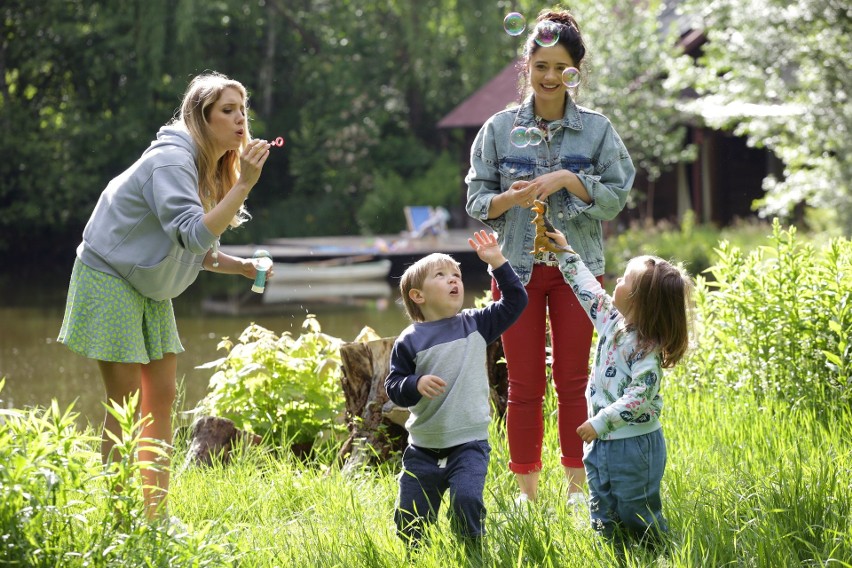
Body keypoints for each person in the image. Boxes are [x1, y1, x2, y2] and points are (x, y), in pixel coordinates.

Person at [57, 72, 272, 518]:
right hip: (110, 274)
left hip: (149, 283)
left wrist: (242, 267)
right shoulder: (174, 161)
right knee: (125, 403)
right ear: (201, 117)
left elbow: (196, 248)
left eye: (242, 110)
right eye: (227, 111)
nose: (239, 120)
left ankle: (155, 515)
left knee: (162, 395)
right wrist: (244, 185)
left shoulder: (209, 164)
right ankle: (119, 518)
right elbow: (194, 235)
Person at [465, 7, 635, 505]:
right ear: (527, 67)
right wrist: (509, 200)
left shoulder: (598, 131)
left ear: (575, 71)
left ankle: (578, 492)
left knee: (576, 380)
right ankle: (528, 496)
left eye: (561, 67)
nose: (550, 77)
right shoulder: (497, 129)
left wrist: (567, 179)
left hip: (576, 270)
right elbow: (476, 201)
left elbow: (615, 196)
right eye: (540, 66)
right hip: (513, 272)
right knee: (522, 386)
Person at [542, 226, 693, 548]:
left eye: (624, 280)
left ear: (639, 299)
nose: (615, 283)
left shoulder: (647, 351)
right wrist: (564, 252)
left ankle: (657, 551)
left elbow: (639, 397)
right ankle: (612, 551)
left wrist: (600, 421)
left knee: (636, 509)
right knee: (602, 505)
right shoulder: (613, 322)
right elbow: (587, 290)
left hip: (634, 446)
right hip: (601, 442)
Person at [385, 230, 528, 550]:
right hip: (423, 447)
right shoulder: (410, 340)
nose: (454, 280)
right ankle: (415, 555)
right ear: (417, 296)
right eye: (441, 275)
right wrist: (415, 384)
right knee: (411, 516)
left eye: (457, 275)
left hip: (470, 444)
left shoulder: (475, 323)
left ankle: (472, 551)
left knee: (467, 501)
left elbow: (517, 301)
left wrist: (497, 263)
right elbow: (393, 386)